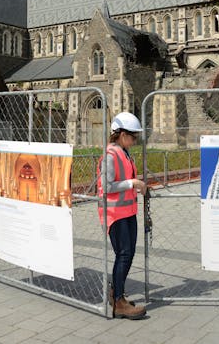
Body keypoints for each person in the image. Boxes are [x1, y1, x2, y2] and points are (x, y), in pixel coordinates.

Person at [97, 111, 148, 319]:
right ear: (120, 134)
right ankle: (118, 302)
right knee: (124, 254)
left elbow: (125, 179)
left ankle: (116, 293)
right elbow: (107, 186)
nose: (135, 140)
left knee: (127, 254)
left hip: (127, 211)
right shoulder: (110, 154)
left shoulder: (124, 153)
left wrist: (135, 183)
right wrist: (132, 183)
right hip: (114, 213)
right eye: (132, 136)